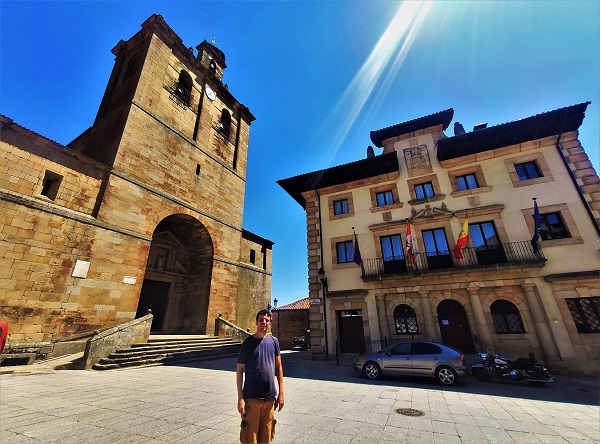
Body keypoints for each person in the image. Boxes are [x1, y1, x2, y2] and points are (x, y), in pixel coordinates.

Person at [236, 309, 284, 444]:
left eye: (266, 320)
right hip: (251, 398)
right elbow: (239, 370)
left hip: (269, 399)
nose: (264, 322)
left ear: (269, 324)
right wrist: (240, 398)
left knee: (267, 437)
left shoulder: (274, 342)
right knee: (250, 438)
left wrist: (281, 394)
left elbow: (279, 367)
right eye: (261, 320)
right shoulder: (248, 343)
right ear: (256, 322)